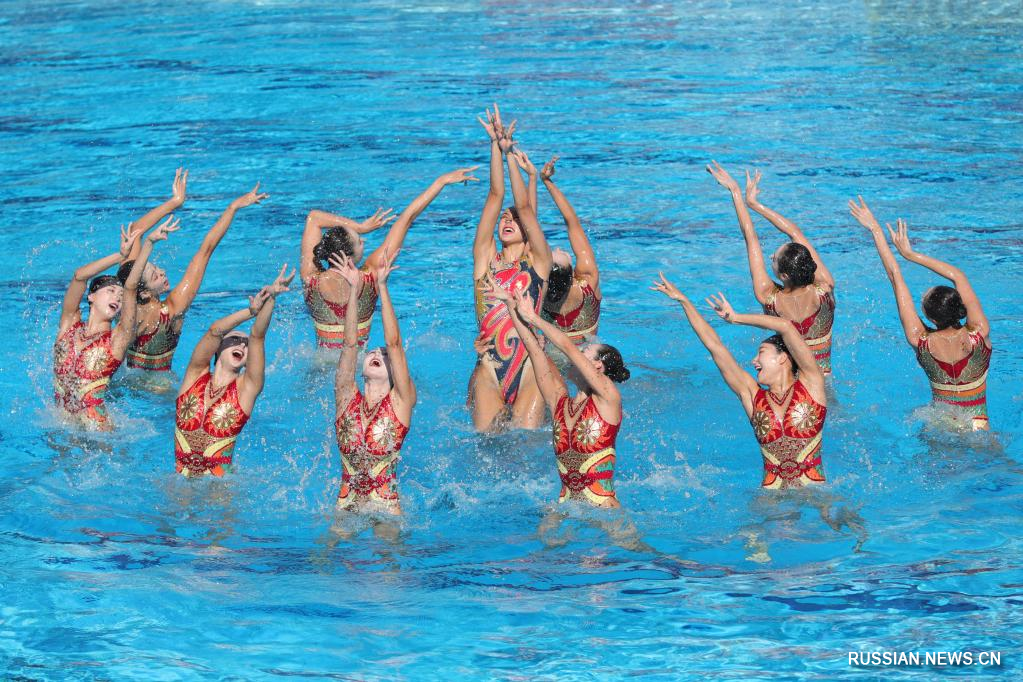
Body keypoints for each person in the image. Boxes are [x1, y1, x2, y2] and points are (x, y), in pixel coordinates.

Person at [651, 274, 827, 489]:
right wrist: (684, 301)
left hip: (817, 493)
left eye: (761, 353)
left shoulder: (811, 384)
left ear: (783, 358)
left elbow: (786, 327)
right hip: (772, 498)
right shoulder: (752, 395)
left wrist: (735, 318)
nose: (754, 361)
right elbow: (715, 347)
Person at [850, 197, 992, 430]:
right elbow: (958, 276)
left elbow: (895, 278)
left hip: (940, 427)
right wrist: (911, 254)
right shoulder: (979, 333)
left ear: (932, 319)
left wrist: (875, 229)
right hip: (978, 427)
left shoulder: (919, 340)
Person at [301, 168, 478, 349]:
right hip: (361, 366)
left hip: (319, 368)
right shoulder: (372, 276)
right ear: (350, 256)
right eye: (359, 240)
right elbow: (407, 218)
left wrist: (359, 227)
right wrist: (441, 181)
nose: (363, 240)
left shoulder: (310, 279)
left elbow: (314, 218)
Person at [492, 282, 629, 507]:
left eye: (584, 352)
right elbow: (533, 350)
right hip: (565, 505)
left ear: (597, 367)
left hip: (604, 508)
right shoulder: (560, 402)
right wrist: (510, 305)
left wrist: (534, 318)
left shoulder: (608, 397)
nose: (574, 357)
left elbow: (567, 346)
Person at [119, 174, 269, 373]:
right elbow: (205, 250)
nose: (163, 272)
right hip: (159, 387)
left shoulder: (122, 304)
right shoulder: (172, 309)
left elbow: (135, 231)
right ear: (145, 293)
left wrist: (175, 201)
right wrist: (232, 208)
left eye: (156, 267)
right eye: (155, 276)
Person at [469, 104, 553, 431]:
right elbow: (495, 194)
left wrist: (510, 154)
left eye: (514, 220)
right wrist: (494, 146)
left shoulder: (538, 263)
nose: (507, 219)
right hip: (490, 367)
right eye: (504, 218)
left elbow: (524, 207)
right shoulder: (485, 261)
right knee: (487, 444)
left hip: (530, 367)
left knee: (525, 444)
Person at [707, 162, 836, 374]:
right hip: (822, 383)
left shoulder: (768, 297)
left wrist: (737, 193)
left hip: (783, 380)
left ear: (784, 275)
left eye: (774, 259)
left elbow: (751, 239)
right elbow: (795, 233)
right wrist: (756, 204)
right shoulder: (825, 288)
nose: (770, 256)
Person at [54, 218, 180, 429]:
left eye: (121, 297)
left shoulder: (116, 340)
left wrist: (148, 243)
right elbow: (79, 277)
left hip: (100, 433)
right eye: (111, 291)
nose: (117, 298)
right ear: (91, 296)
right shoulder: (69, 325)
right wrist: (119, 256)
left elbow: (131, 287)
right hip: (61, 425)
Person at [173, 265, 294, 476]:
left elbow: (257, 336)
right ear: (218, 349)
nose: (242, 346)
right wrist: (250, 312)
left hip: (220, 489)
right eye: (235, 340)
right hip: (179, 483)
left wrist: (271, 298)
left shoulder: (246, 388)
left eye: (245, 345)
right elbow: (215, 331)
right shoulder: (195, 375)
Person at [331, 248, 415, 515]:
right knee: (323, 555)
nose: (377, 353)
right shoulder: (346, 398)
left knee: (390, 555)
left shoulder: (400, 402)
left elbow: (395, 344)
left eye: (384, 355)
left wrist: (381, 287)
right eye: (373, 352)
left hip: (387, 507)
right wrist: (354, 292)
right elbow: (349, 344)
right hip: (345, 505)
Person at [526, 154, 602, 346]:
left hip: (550, 361)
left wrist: (532, 179)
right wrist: (547, 181)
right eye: (559, 252)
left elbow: (530, 227)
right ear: (570, 273)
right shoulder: (588, 281)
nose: (558, 247)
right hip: (586, 361)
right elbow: (572, 223)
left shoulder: (536, 296)